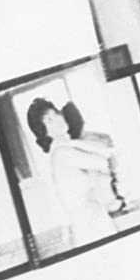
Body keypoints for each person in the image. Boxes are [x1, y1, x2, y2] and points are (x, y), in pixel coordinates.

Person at [25, 99, 118, 247]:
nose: (57, 120)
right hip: (88, 226)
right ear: (43, 131)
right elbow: (105, 162)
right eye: (49, 120)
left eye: (56, 114)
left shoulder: (67, 146)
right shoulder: (62, 153)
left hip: (94, 217)